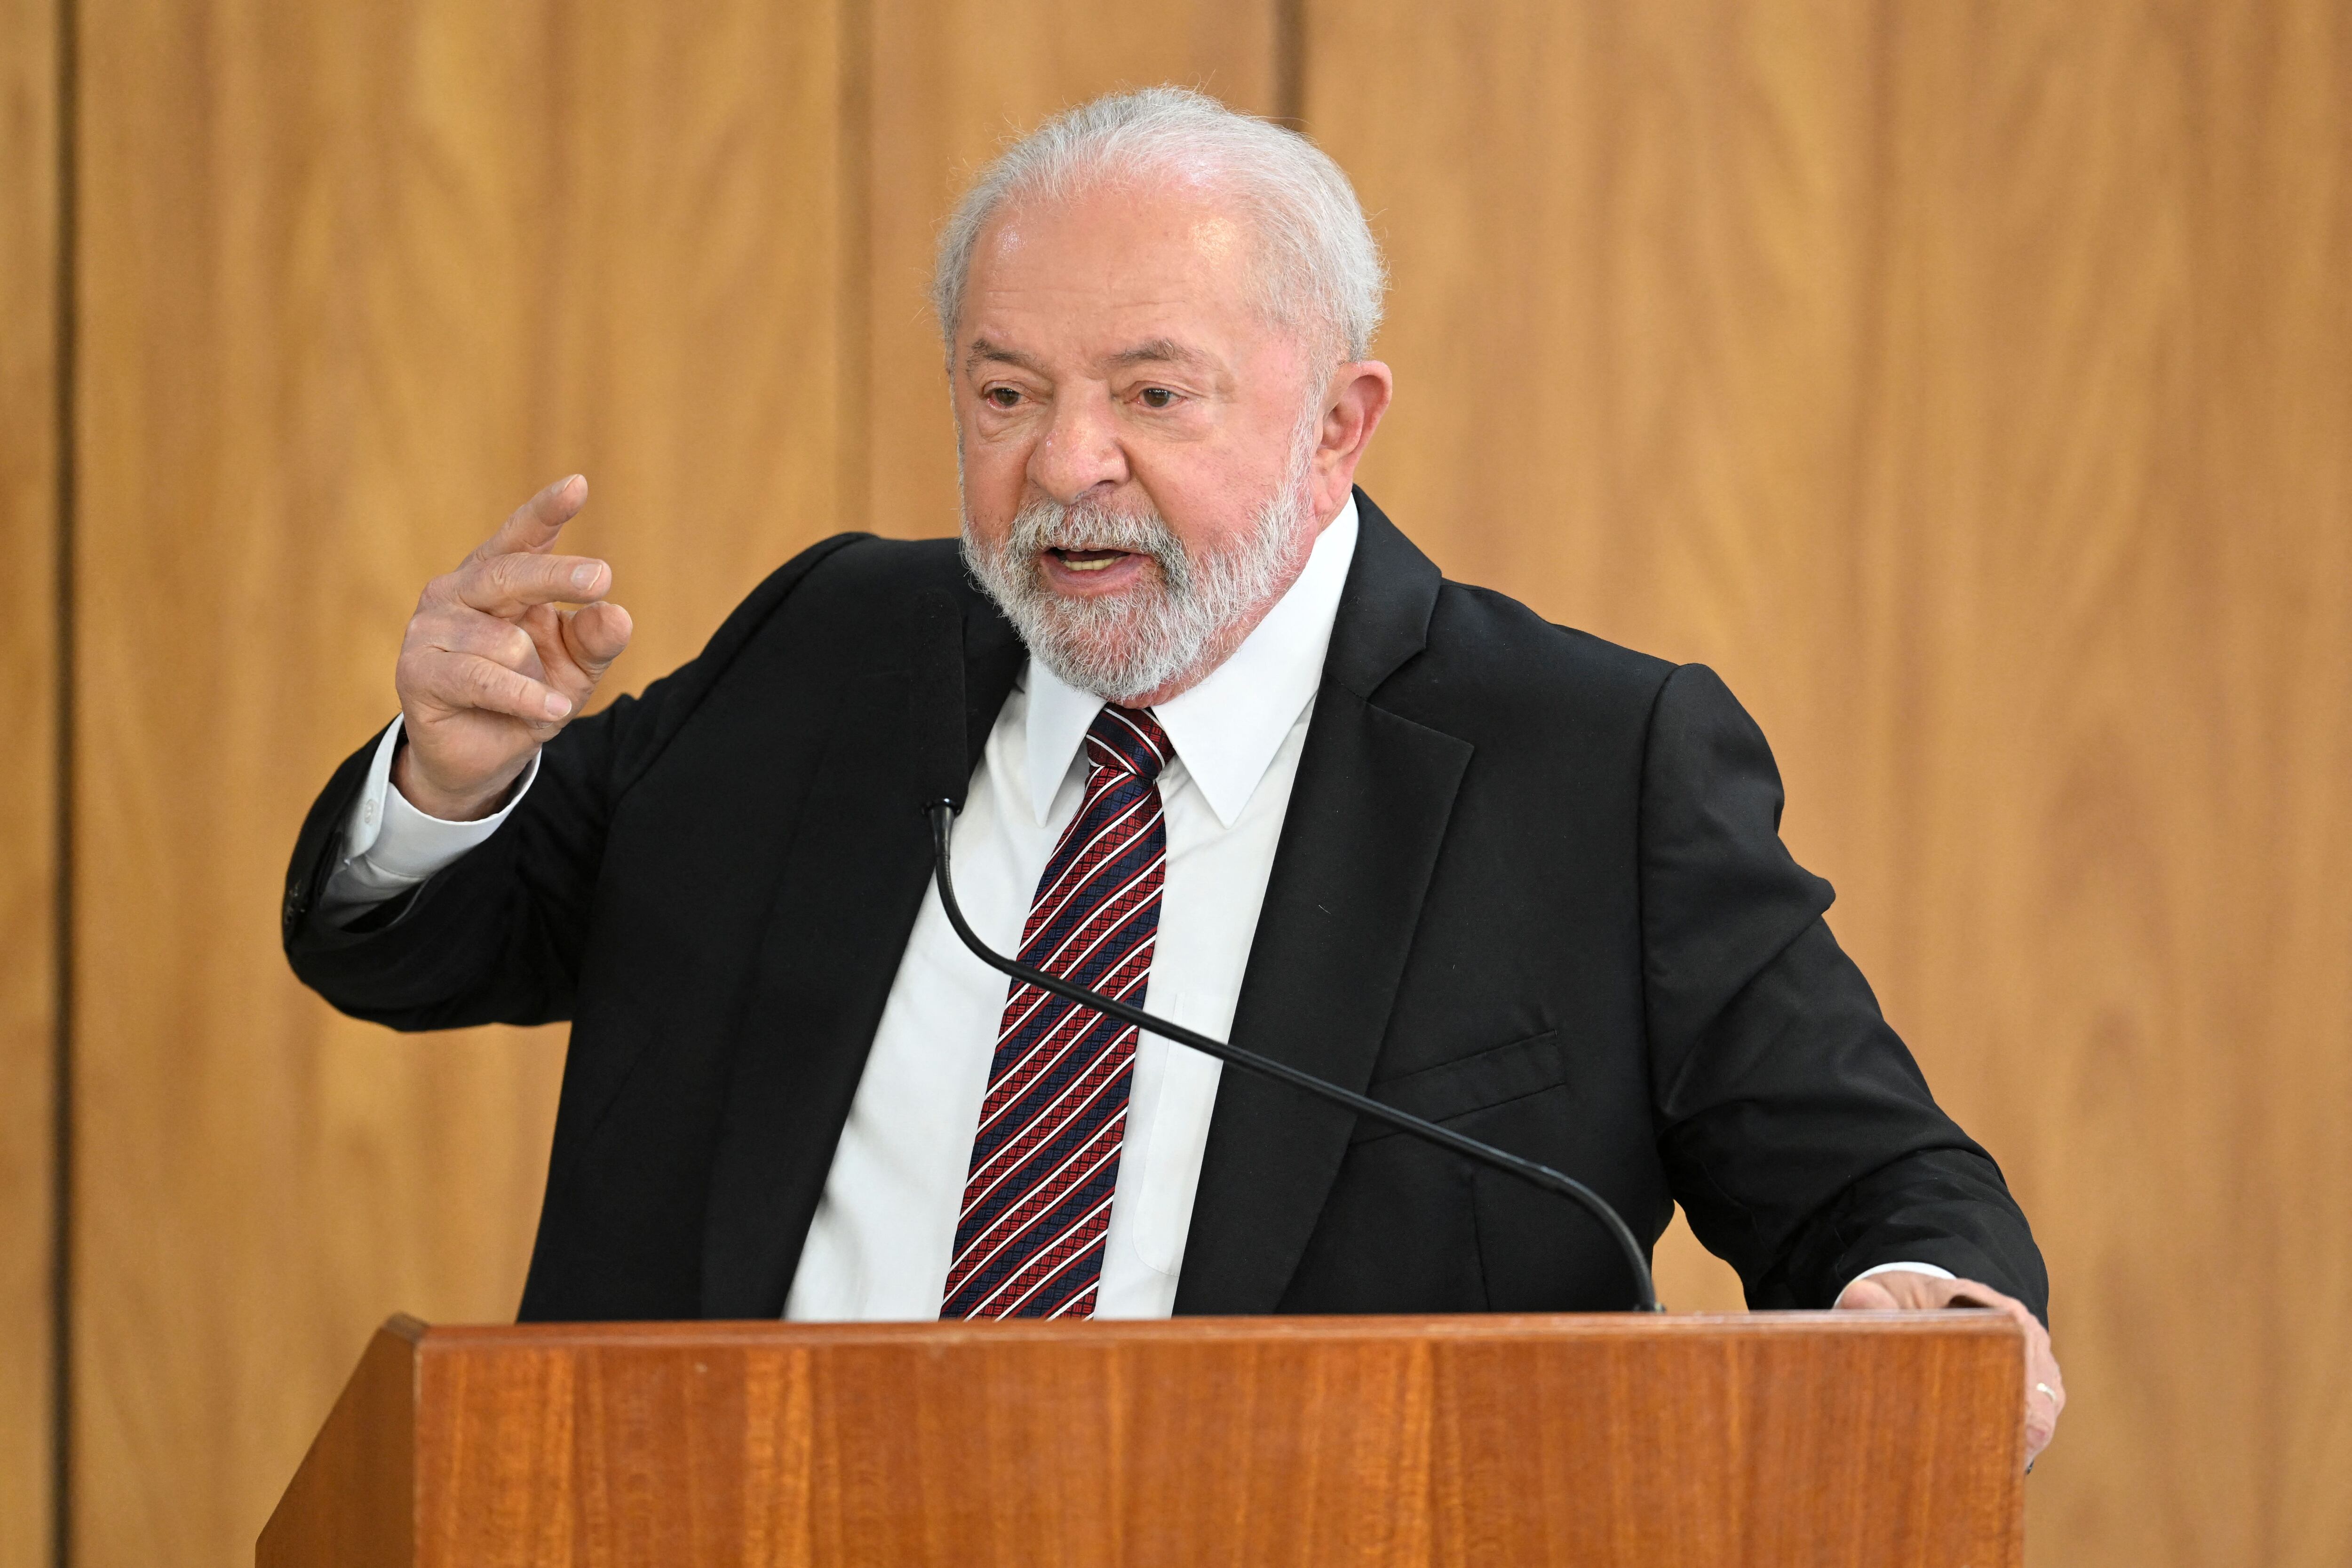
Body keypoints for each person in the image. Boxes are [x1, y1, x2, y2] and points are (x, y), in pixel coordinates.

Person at [284, 88, 2062, 1462]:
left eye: (1155, 393)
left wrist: (1918, 1297)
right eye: (1004, 395)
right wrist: (447, 785)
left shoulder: (1590, 768)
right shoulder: (831, 652)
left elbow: (1869, 1187)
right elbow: (433, 947)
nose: (1069, 464)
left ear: (1338, 423)